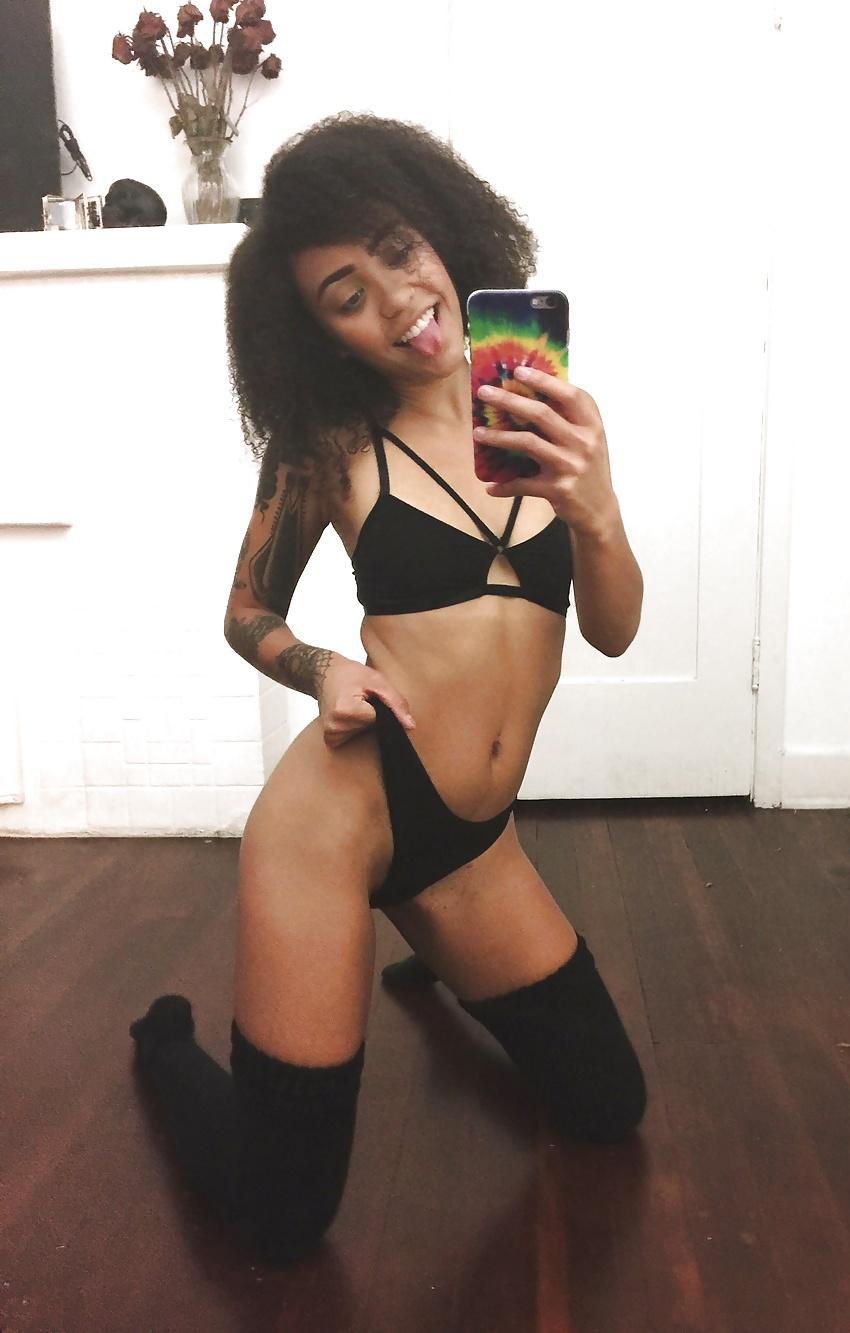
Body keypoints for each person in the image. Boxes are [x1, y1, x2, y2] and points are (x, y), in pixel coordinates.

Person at [128, 111, 646, 1267]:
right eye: (345, 296)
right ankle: (162, 1045)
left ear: (444, 230)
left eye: (399, 251)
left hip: (471, 845)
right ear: (319, 334)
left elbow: (612, 631)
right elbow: (245, 609)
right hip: (341, 822)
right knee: (281, 1212)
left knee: (608, 1105)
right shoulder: (327, 446)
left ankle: (436, 956)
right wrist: (322, 667)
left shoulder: (540, 411)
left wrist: (597, 509)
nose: (399, 301)